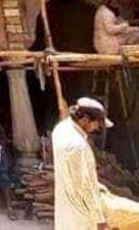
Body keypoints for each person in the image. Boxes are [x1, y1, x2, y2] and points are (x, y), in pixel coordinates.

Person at [52, 97, 139, 229]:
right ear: (85, 119)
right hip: (82, 216)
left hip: (67, 210)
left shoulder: (60, 129)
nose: (98, 127)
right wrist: (99, 219)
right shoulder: (77, 145)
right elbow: (84, 186)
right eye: (97, 123)